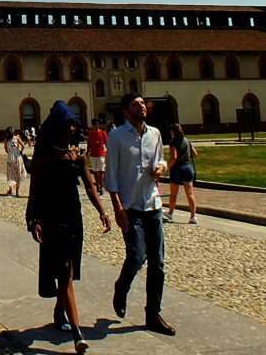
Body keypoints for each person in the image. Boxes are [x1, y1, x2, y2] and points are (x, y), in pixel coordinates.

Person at [26, 101, 111, 354]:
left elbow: (89, 185)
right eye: (67, 123)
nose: (71, 128)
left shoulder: (77, 154)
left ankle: (59, 312)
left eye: (73, 123)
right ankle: (77, 333)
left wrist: (102, 211)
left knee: (70, 269)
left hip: (74, 216)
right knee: (64, 272)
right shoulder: (45, 154)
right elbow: (35, 189)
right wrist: (33, 218)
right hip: (53, 218)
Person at [105, 94, 175, 337]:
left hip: (153, 204)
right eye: (136, 104)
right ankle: (121, 287)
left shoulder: (155, 133)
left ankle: (153, 313)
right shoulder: (116, 136)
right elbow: (110, 175)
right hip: (130, 206)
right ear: (126, 111)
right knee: (136, 257)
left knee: (158, 262)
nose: (142, 106)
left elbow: (161, 160)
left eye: (143, 103)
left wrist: (161, 167)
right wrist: (117, 209)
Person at [164, 123, 198, 224]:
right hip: (188, 167)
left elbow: (174, 157)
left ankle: (170, 213)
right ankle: (193, 216)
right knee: (190, 194)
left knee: (173, 194)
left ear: (172, 131)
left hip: (177, 169)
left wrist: (167, 167)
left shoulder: (173, 142)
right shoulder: (187, 140)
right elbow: (195, 154)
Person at [85, 122, 108, 195]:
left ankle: (101, 187)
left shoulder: (103, 133)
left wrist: (108, 151)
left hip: (101, 154)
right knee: (95, 171)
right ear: (93, 125)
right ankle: (97, 186)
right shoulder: (90, 134)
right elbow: (89, 144)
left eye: (97, 124)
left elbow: (107, 142)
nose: (96, 126)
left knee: (101, 171)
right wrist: (87, 152)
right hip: (93, 155)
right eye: (95, 125)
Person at [4, 126, 27, 197]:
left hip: (10, 157)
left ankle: (10, 190)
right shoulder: (16, 138)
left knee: (10, 174)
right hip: (18, 157)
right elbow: (23, 146)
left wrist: (10, 153)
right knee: (18, 174)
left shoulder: (6, 140)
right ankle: (17, 192)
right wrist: (20, 151)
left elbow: (6, 149)